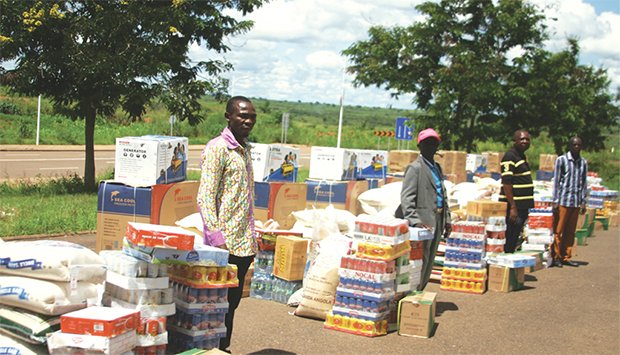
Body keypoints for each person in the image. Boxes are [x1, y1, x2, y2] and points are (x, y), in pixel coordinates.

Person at [197, 96, 258, 353]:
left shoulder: (245, 149)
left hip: (243, 241)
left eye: (252, 116)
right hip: (224, 244)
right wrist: (215, 236)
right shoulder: (218, 148)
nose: (247, 120)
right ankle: (212, 348)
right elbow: (206, 195)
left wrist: (254, 233)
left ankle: (224, 348)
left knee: (232, 302)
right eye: (242, 115)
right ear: (228, 116)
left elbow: (244, 197)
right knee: (217, 303)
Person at [395, 128, 451, 291]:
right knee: (419, 261)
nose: (431, 147)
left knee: (430, 259)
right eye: (427, 143)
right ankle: (413, 294)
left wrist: (447, 219)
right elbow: (407, 199)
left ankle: (421, 290)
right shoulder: (415, 168)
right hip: (422, 223)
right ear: (420, 146)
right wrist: (415, 221)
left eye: (434, 143)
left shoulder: (437, 168)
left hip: (437, 220)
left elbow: (443, 195)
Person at [551, 136, 588, 267]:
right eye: (574, 145)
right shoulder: (562, 160)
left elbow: (584, 183)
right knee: (558, 230)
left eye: (579, 145)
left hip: (576, 201)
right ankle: (555, 256)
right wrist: (555, 200)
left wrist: (583, 201)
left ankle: (566, 256)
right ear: (570, 146)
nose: (577, 147)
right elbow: (556, 181)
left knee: (570, 232)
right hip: (563, 201)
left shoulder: (583, 163)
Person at [499, 129, 534, 253]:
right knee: (511, 235)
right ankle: (506, 264)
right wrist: (513, 206)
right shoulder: (510, 156)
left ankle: (510, 260)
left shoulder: (521, 156)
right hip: (515, 207)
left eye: (527, 139)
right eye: (522, 139)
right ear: (515, 141)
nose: (525, 141)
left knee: (515, 236)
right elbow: (507, 182)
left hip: (522, 206)